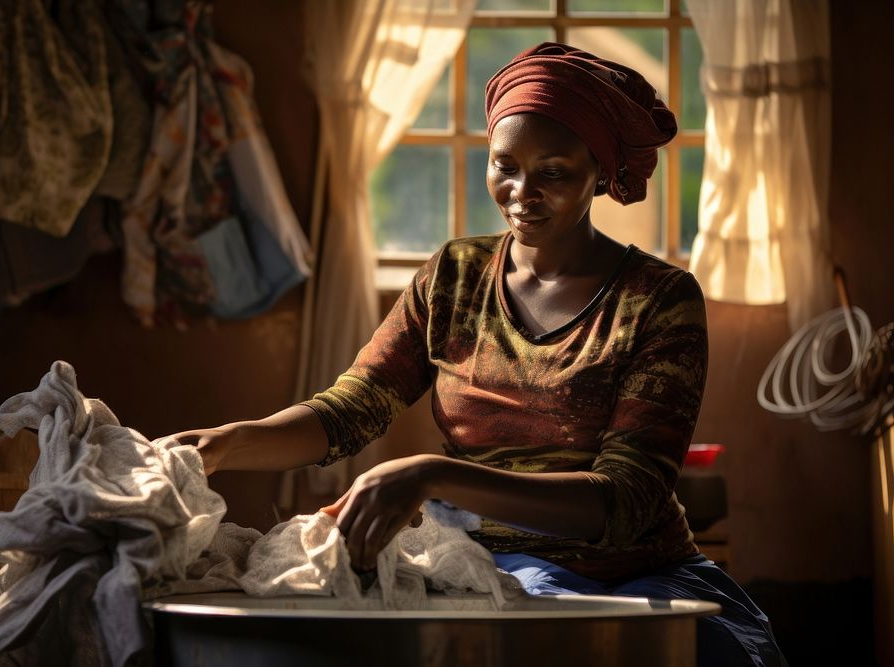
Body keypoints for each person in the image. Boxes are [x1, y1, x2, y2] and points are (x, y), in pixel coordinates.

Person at [172, 43, 785, 667]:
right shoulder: (454, 278)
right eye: (505, 166)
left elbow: (627, 499)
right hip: (484, 568)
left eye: (554, 171)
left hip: (637, 576)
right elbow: (350, 410)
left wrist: (433, 476)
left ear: (598, 171)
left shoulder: (657, 299)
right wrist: (226, 444)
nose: (522, 192)